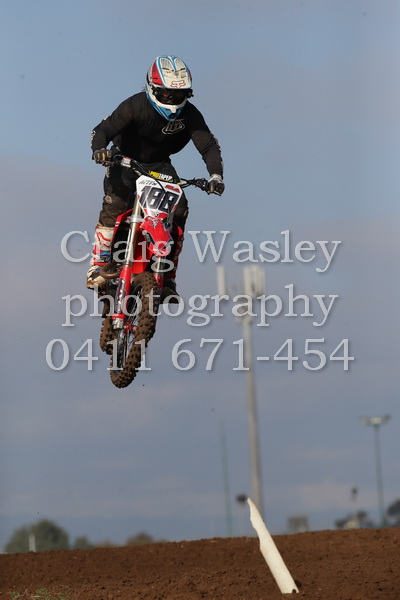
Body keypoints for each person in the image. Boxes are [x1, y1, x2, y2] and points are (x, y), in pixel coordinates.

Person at [87, 55, 224, 302]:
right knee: (115, 205)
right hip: (123, 159)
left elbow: (209, 146)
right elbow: (102, 129)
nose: (172, 99)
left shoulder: (190, 115)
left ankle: (168, 276)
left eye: (178, 94)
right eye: (166, 93)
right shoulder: (134, 106)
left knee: (179, 209)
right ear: (152, 88)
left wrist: (215, 176)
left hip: (159, 165)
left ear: (188, 93)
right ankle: (98, 265)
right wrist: (100, 150)